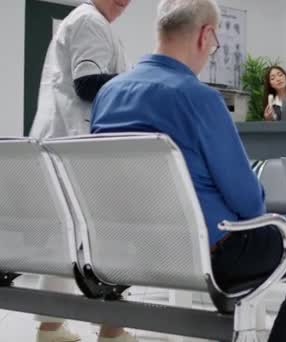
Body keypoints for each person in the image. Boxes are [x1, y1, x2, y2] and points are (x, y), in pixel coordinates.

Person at [89, 1, 286, 341]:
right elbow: (249, 201)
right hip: (212, 256)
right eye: (215, 44)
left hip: (132, 251)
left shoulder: (108, 93)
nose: (211, 51)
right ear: (205, 34)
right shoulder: (197, 97)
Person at [28, 1, 132, 341]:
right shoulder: (89, 21)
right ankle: (112, 331)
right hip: (80, 147)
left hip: (65, 144)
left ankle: (51, 329)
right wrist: (139, 83)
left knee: (66, 239)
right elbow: (87, 83)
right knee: (117, 237)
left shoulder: (87, 21)